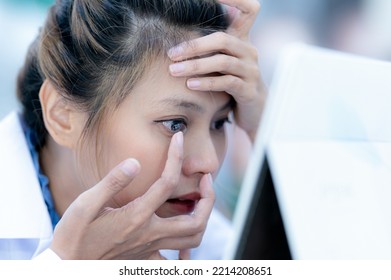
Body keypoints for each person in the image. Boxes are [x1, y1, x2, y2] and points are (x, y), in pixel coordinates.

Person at [0, 0, 265, 260]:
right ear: (63, 116)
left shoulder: (197, 239)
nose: (209, 162)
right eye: (175, 124)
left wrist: (264, 127)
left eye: (219, 123)